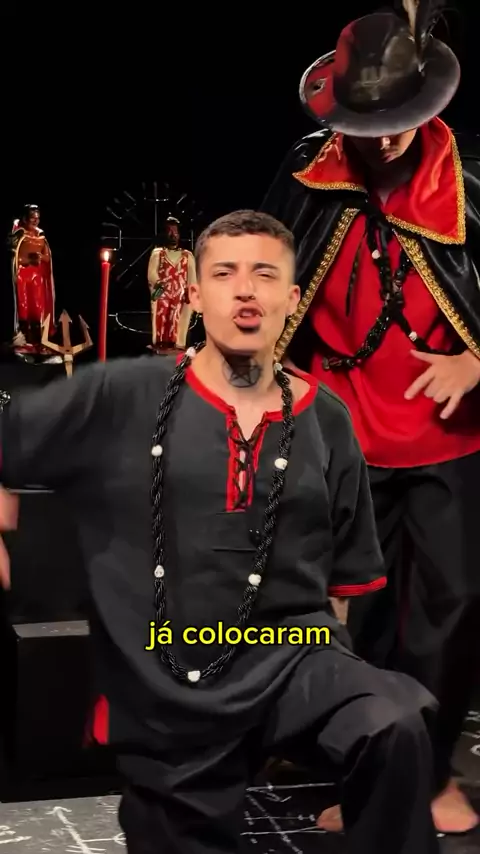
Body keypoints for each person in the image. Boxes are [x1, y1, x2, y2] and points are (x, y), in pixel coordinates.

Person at [0, 210, 439, 854]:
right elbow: (11, 438)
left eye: (265, 274)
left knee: (390, 721)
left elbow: (347, 580)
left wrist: (329, 679)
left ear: (292, 297)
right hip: (167, 676)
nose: (245, 291)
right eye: (225, 274)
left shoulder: (327, 418)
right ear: (196, 294)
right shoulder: (122, 394)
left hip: (291, 655)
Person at [260, 1, 480, 836]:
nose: (382, 140)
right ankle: (376, 771)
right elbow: (267, 265)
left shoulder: (470, 184)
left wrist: (478, 362)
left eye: (396, 123)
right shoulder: (309, 170)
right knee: (363, 613)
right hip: (342, 431)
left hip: (449, 435)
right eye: (365, 124)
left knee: (452, 607)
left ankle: (432, 770)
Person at [7, 204, 59, 362]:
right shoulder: (17, 234)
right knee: (23, 309)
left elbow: (47, 257)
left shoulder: (41, 236)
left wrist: (40, 257)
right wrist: (26, 259)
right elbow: (12, 255)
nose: (35, 221)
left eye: (38, 218)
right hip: (21, 276)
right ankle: (23, 342)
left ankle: (39, 343)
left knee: (37, 309)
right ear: (24, 218)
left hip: (36, 278)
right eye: (32, 218)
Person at [147, 216, 196, 352]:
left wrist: (191, 292)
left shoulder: (187, 256)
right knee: (162, 317)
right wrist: (159, 284)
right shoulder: (158, 253)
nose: (172, 235)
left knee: (177, 318)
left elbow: (192, 278)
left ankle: (177, 342)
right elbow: (152, 273)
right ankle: (160, 341)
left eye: (175, 232)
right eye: (169, 232)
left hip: (180, 296)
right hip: (162, 294)